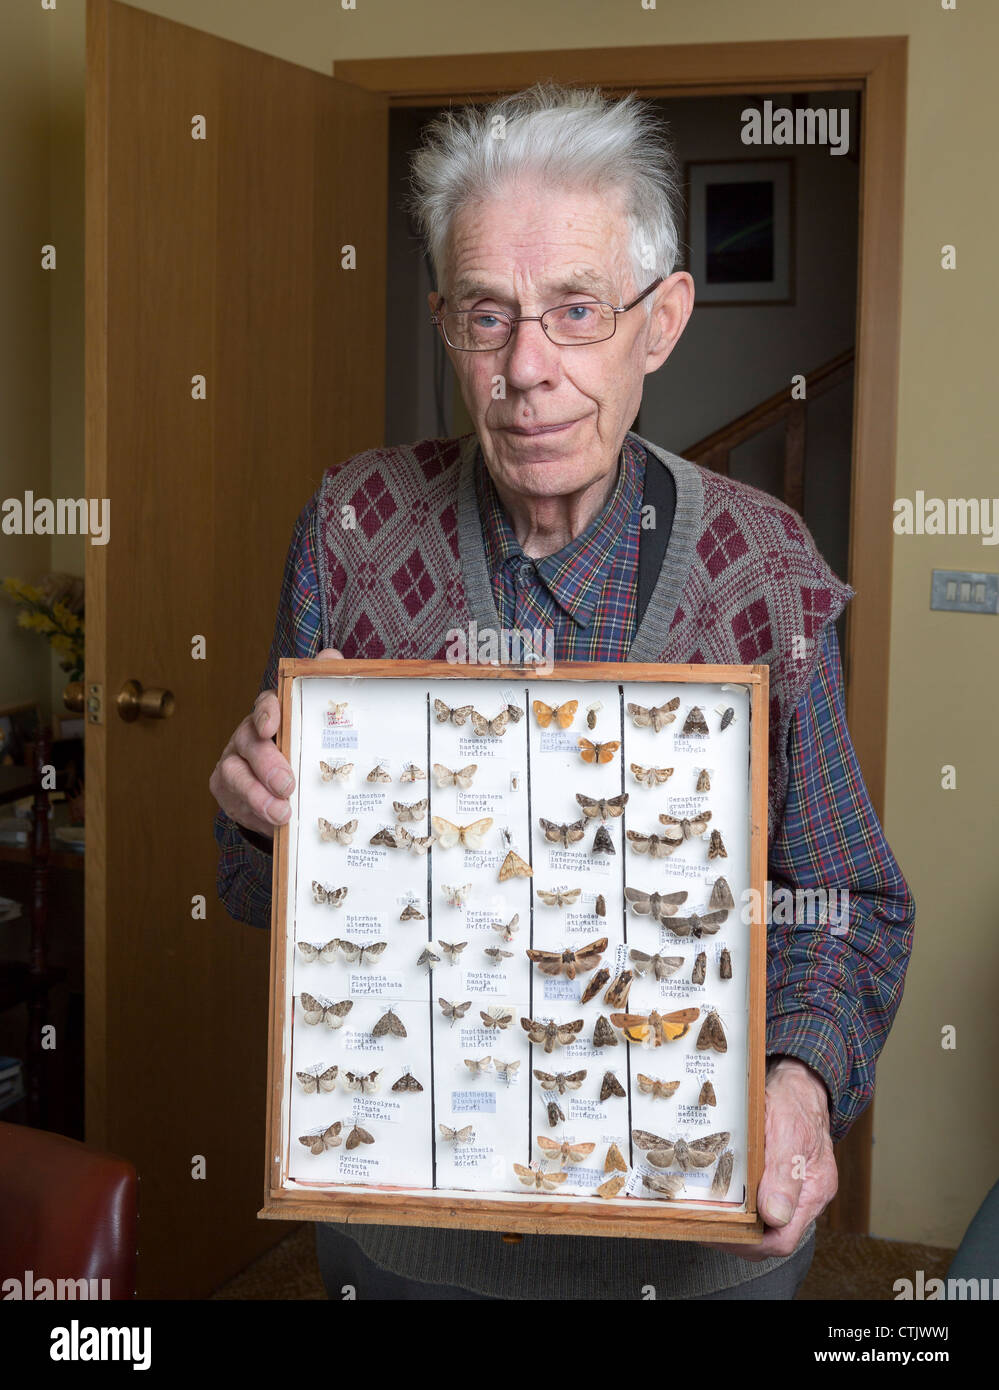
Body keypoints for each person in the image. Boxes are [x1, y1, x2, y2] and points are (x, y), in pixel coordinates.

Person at [210, 83, 914, 1300]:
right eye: (488, 316)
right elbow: (253, 890)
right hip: (405, 1237)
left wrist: (798, 1084)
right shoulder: (350, 528)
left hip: (693, 1246)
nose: (527, 369)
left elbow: (844, 900)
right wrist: (254, 808)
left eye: (575, 311)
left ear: (662, 319)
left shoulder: (764, 566)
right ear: (445, 324)